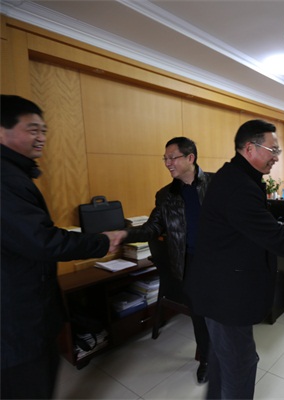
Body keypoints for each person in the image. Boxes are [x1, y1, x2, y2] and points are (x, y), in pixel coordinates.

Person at [184, 119, 284, 399]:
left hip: (218, 291)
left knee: (223, 363)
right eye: (273, 150)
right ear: (250, 148)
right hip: (225, 297)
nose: (276, 157)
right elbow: (276, 239)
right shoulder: (239, 186)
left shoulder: (236, 177)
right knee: (239, 365)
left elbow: (256, 229)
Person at [1, 95, 119, 399]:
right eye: (33, 130)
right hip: (16, 321)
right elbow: (42, 240)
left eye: (44, 130)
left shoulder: (14, 173)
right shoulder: (5, 178)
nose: (41, 137)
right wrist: (103, 241)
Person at [111, 137, 212, 384]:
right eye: (165, 158)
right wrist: (124, 234)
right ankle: (207, 360)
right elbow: (152, 228)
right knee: (200, 315)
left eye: (172, 157)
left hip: (220, 261)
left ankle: (235, 353)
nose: (167, 163)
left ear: (190, 158)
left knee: (227, 312)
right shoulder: (165, 195)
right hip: (190, 264)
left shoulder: (218, 184)